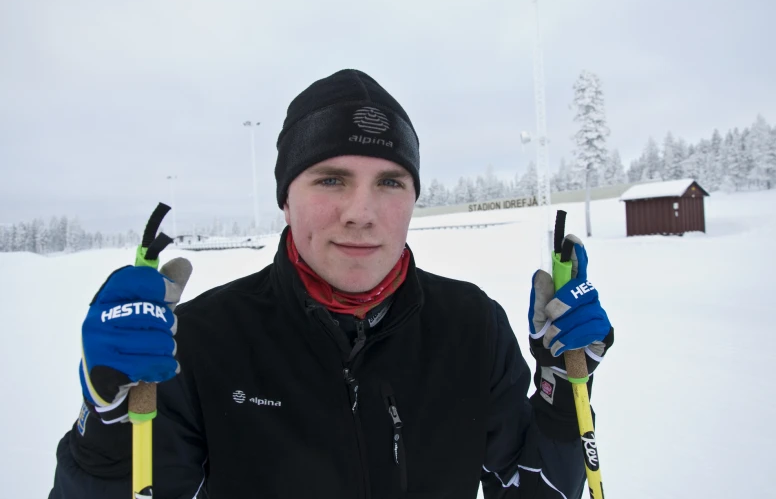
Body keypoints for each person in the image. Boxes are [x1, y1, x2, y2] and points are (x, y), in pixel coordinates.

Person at [49, 69, 614, 499]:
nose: (361, 212)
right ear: (286, 200)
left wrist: (563, 393)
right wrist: (107, 432)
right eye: (331, 179)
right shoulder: (197, 344)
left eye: (390, 181)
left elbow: (534, 489)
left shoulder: (471, 325)